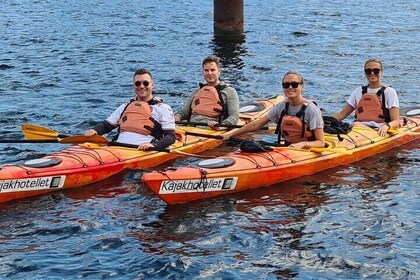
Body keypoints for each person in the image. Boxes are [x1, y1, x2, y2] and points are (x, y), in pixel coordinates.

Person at [223, 71, 325, 149]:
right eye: (286, 85)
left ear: (302, 87)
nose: (290, 87)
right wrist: (231, 134)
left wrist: (303, 144)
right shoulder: (281, 107)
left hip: (307, 149)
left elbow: (321, 142)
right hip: (288, 147)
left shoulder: (311, 110)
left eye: (294, 84)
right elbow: (257, 124)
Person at [84, 68, 176, 151]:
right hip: (117, 147)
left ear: (152, 85)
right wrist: (94, 130)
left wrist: (154, 145)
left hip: (142, 150)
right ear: (133, 86)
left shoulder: (163, 108)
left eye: (145, 83)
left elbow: (171, 137)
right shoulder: (126, 106)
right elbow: (106, 125)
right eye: (137, 83)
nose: (141, 86)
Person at [332, 58, 400, 137]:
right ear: (365, 73)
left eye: (376, 71)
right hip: (358, 129)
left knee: (355, 124)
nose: (372, 73)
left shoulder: (389, 92)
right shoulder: (358, 91)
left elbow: (396, 121)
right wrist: (326, 121)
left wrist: (386, 126)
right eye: (368, 71)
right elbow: (341, 114)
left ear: (382, 72)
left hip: (379, 129)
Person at [174, 56, 239, 130]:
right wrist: (176, 117)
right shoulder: (197, 90)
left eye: (212, 70)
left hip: (211, 129)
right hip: (190, 127)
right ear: (203, 72)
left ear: (219, 71)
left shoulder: (229, 91)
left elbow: (234, 117)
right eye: (206, 70)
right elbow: (184, 112)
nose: (209, 73)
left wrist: (221, 126)